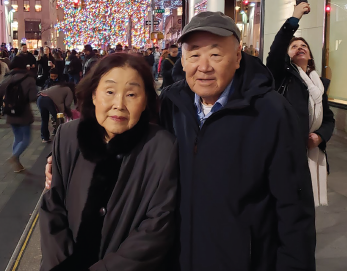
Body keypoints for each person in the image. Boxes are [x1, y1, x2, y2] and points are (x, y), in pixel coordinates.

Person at [45, 11, 316, 271]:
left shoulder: (271, 112)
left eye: (215, 53)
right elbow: (129, 144)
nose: (204, 66)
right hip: (175, 259)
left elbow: (294, 208)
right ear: (183, 60)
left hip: (240, 261)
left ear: (237, 56)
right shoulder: (172, 104)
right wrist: (65, 164)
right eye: (194, 54)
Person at [39, 53, 178, 270]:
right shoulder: (68, 136)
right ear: (94, 95)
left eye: (131, 94)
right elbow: (52, 206)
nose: (119, 104)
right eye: (110, 92)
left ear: (145, 102)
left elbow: (157, 227)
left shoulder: (162, 147)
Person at [266, 2, 335, 207]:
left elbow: (329, 118)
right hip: (288, 152)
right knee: (289, 204)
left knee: (307, 204)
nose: (300, 48)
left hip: (313, 150)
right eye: (294, 46)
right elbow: (277, 49)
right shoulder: (282, 76)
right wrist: (294, 18)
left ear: (310, 55)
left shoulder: (318, 84)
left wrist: (320, 136)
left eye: (303, 46)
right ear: (288, 55)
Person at [0, 55, 37, 172]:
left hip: (10, 112)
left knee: (17, 137)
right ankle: (15, 156)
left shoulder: (7, 78)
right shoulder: (29, 78)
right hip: (23, 112)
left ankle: (17, 163)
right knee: (26, 138)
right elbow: (32, 97)